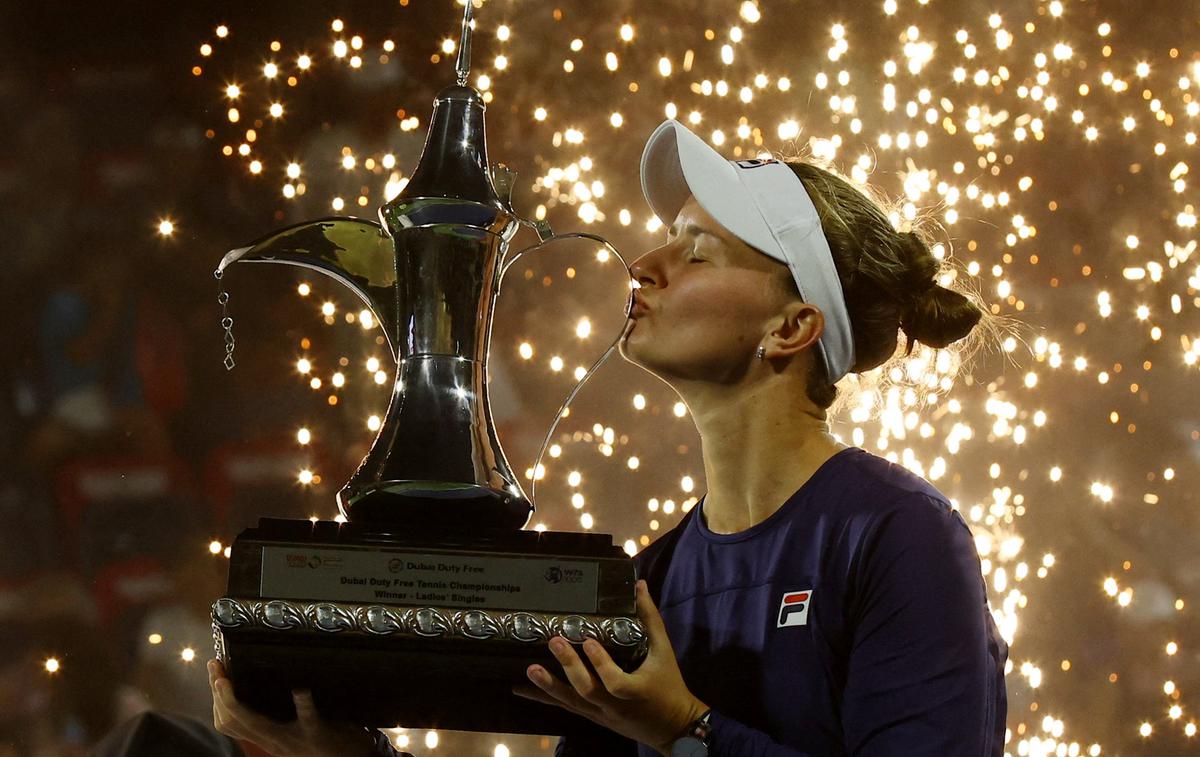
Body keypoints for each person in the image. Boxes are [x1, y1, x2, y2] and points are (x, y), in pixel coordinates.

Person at [207, 118, 1009, 756]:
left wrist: (685, 729)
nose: (645, 264)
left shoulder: (899, 534)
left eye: (696, 251)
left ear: (793, 325)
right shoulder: (650, 576)